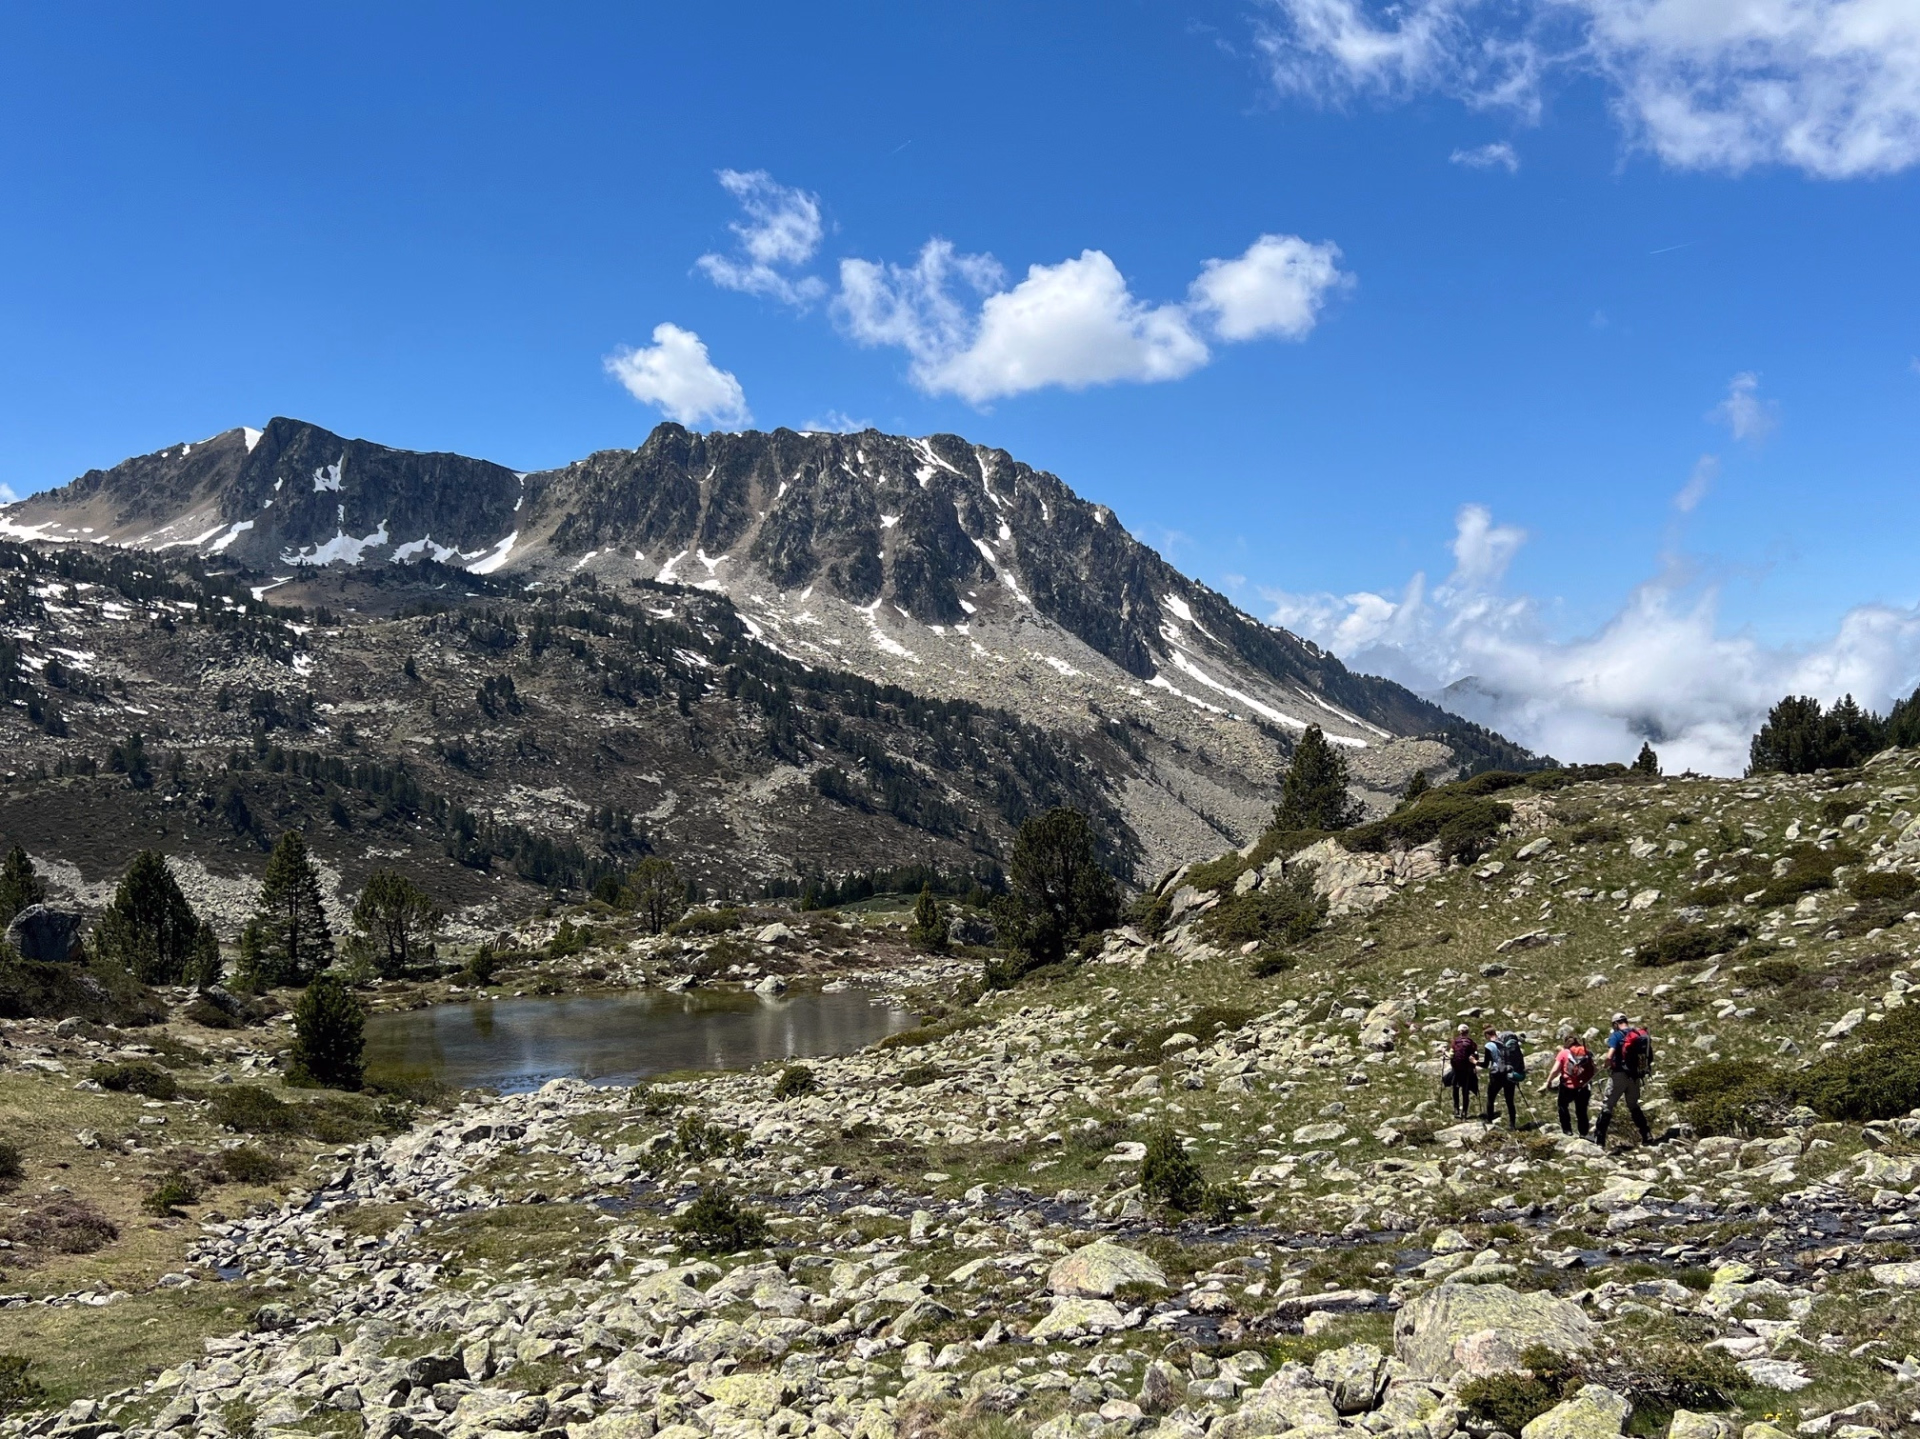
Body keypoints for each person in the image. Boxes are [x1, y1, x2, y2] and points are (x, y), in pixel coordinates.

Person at [1595, 1012, 1654, 1149]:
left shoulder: (1616, 1036)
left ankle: (1599, 1140)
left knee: (1608, 1105)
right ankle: (1646, 1135)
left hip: (1619, 1076)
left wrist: (1606, 1064)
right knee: (1633, 1105)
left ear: (1615, 1024)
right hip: (1635, 1076)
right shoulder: (1637, 1034)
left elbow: (1610, 1056)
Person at [1545, 1028, 1596, 1137]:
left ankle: (1567, 1130)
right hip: (1584, 1086)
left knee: (1562, 1106)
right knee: (1581, 1110)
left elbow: (1555, 1070)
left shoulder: (1563, 1053)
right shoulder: (1585, 1052)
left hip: (1568, 1086)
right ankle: (1583, 1133)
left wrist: (1548, 1082)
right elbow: (1594, 1069)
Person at [1483, 1024, 1523, 1129]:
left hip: (1496, 1074)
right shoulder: (1509, 1046)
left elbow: (1486, 1064)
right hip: (1509, 1073)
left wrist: (1474, 1062)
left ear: (1487, 1035)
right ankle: (1512, 1125)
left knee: (1491, 1097)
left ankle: (1489, 1120)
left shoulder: (1490, 1045)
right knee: (1510, 1100)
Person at [1445, 1024, 1478, 1119]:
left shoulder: (1455, 1042)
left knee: (1455, 1088)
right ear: (1468, 1032)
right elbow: (1475, 1056)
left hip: (1456, 1069)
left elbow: (1451, 1055)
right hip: (1467, 1070)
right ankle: (1465, 1112)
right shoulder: (1471, 1043)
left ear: (1459, 1032)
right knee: (1465, 1091)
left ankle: (1456, 1109)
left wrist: (1444, 1052)